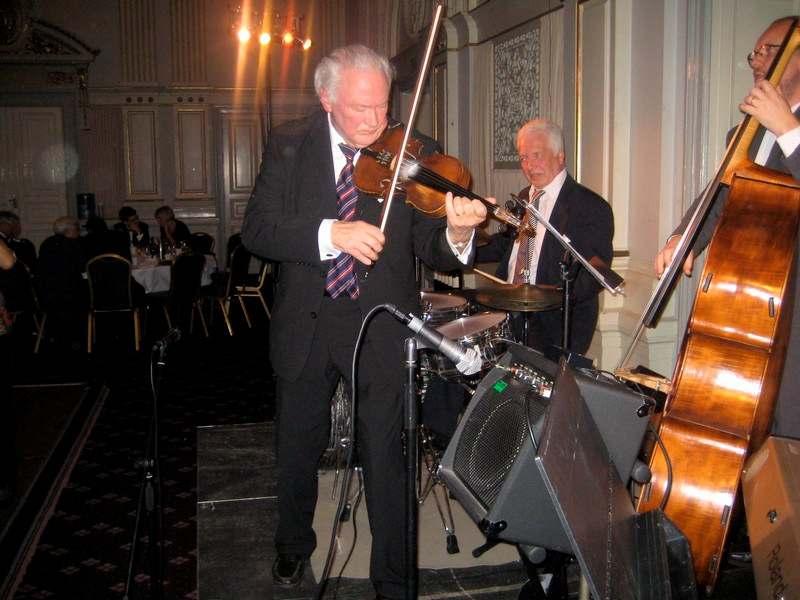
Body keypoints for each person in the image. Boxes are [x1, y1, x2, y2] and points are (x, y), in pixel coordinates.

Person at [242, 44, 486, 599]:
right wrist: (331, 233)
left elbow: (434, 246)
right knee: (298, 446)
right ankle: (292, 545)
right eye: (360, 109)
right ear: (326, 99)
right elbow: (258, 229)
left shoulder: (413, 151)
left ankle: (395, 581)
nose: (377, 123)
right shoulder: (288, 144)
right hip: (307, 322)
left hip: (380, 327)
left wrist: (461, 231)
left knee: (387, 457)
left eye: (383, 107)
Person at [654, 16, 800, 439]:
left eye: (768, 49)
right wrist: (684, 236)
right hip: (752, 309)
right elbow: (716, 195)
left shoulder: (783, 127)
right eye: (753, 52)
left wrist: (789, 131)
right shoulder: (744, 133)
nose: (756, 60)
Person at [476, 118, 614, 355]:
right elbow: (507, 246)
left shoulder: (590, 206)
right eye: (523, 158)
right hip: (509, 311)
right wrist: (463, 243)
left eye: (537, 155)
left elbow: (593, 276)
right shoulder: (523, 197)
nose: (529, 165)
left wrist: (543, 298)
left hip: (555, 325)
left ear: (560, 156)